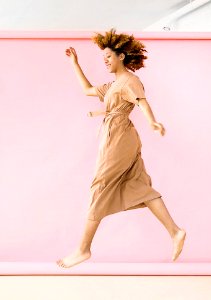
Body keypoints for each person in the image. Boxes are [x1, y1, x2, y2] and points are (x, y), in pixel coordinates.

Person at [56, 28, 186, 268]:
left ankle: (83, 249)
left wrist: (153, 122)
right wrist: (75, 63)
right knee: (138, 185)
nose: (105, 61)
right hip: (114, 136)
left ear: (121, 57)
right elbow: (87, 90)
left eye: (108, 57)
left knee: (100, 186)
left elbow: (143, 103)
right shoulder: (113, 85)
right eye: (103, 58)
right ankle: (175, 231)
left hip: (119, 138)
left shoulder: (130, 81)